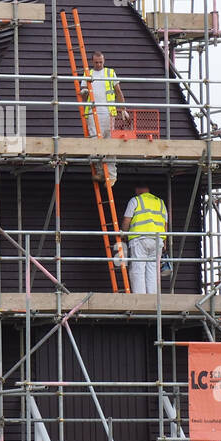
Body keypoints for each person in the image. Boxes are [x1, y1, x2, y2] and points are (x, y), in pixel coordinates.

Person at [83, 50, 126, 186]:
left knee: (109, 144)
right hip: (92, 113)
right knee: (95, 143)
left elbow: (118, 91)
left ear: (104, 60)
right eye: (96, 62)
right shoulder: (88, 73)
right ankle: (101, 172)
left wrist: (123, 109)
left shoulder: (110, 72)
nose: (99, 64)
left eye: (101, 62)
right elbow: (83, 92)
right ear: (92, 62)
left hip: (108, 114)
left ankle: (112, 175)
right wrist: (83, 91)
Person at [121, 183, 168, 294]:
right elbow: (165, 225)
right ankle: (152, 300)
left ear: (138, 189)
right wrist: (165, 242)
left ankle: (140, 300)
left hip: (140, 240)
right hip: (157, 241)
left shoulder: (135, 200)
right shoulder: (160, 202)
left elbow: (127, 220)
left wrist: (123, 235)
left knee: (138, 270)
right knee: (152, 271)